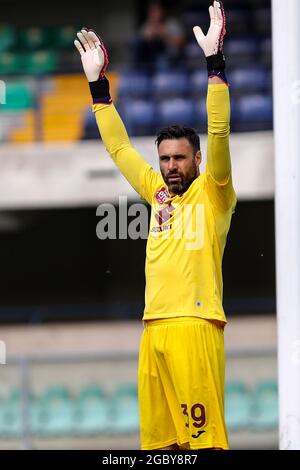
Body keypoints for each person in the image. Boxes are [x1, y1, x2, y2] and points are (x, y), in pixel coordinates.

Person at [74, 0, 236, 450]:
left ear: (196, 159)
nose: (169, 166)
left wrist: (214, 65)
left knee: (204, 445)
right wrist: (98, 88)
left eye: (179, 157)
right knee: (162, 449)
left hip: (196, 325)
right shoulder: (157, 193)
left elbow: (219, 133)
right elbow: (121, 150)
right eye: (164, 158)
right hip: (153, 331)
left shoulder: (214, 191)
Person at [132, 2, 185, 70]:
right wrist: (149, 37)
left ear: (162, 12)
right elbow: (140, 44)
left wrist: (164, 35)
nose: (154, 14)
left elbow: (181, 42)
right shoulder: (146, 25)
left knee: (161, 61)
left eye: (156, 11)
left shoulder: (171, 23)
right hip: (150, 57)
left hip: (170, 56)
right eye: (151, 11)